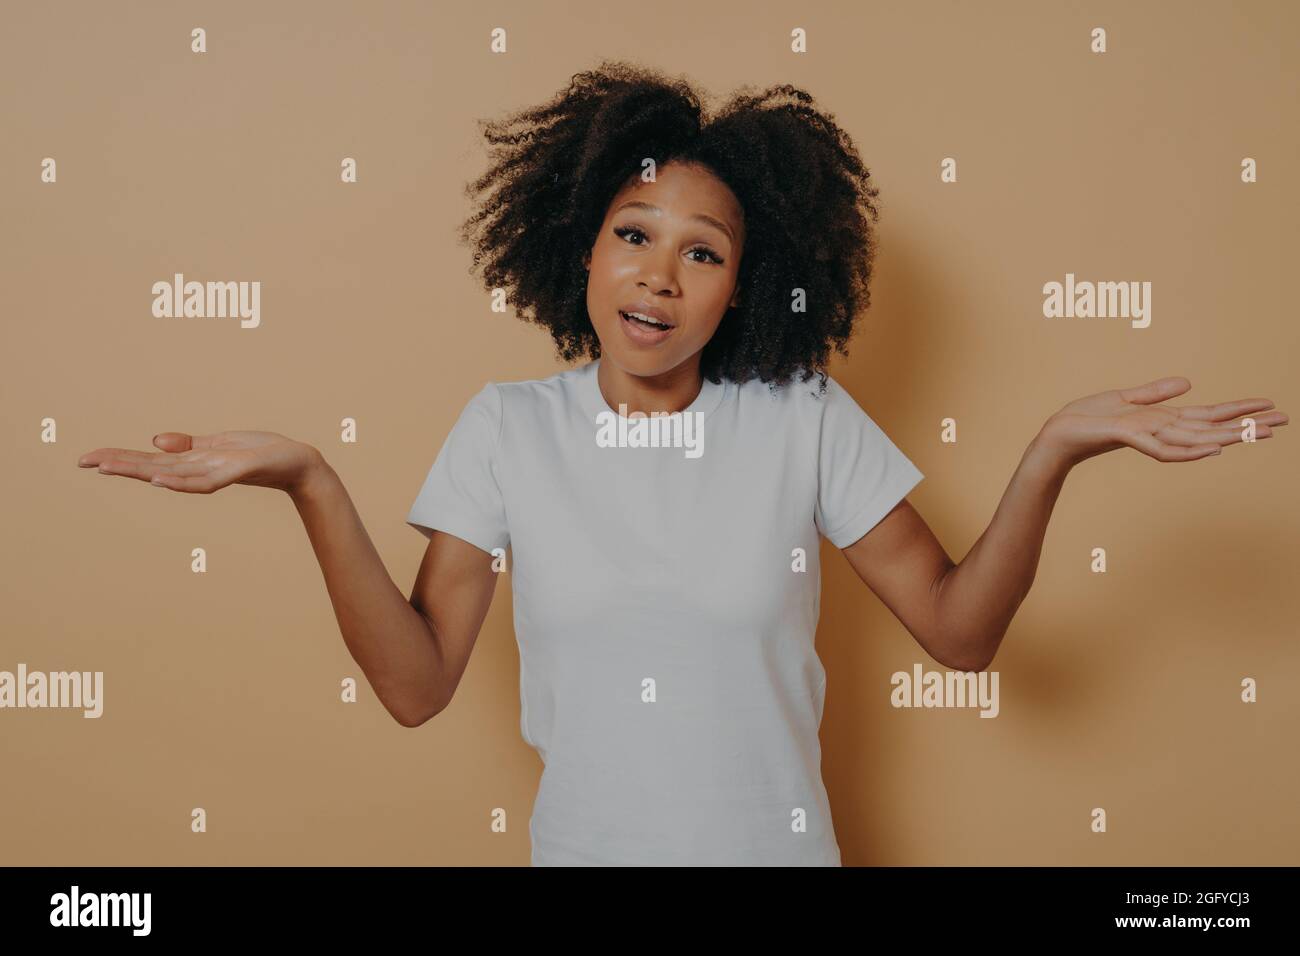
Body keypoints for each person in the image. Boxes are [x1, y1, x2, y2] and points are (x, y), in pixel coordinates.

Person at [77, 61, 1287, 866]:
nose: (659, 274)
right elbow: (415, 684)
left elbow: (961, 636)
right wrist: (311, 483)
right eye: (633, 235)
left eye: (702, 252)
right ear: (582, 249)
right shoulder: (508, 428)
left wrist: (1052, 451)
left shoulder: (800, 416)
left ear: (746, 284)